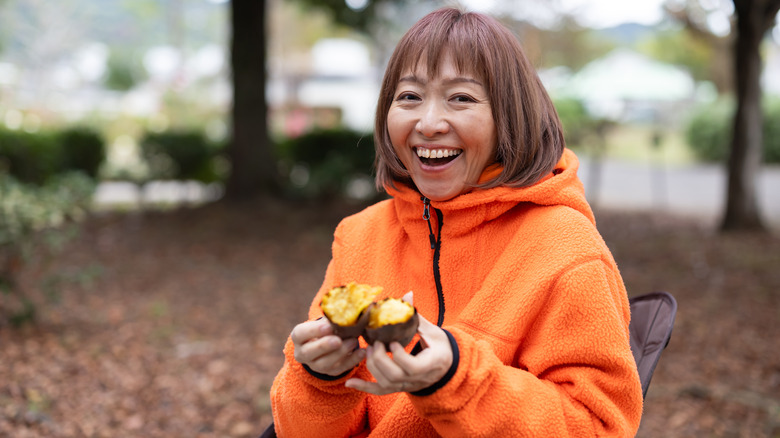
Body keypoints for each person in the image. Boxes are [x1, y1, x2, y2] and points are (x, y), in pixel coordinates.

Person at [269, 7, 643, 437]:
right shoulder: (360, 236)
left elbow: (599, 427)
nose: (428, 124)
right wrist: (319, 379)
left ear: (509, 115)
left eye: (460, 98)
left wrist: (458, 379)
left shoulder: (566, 249)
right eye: (409, 97)